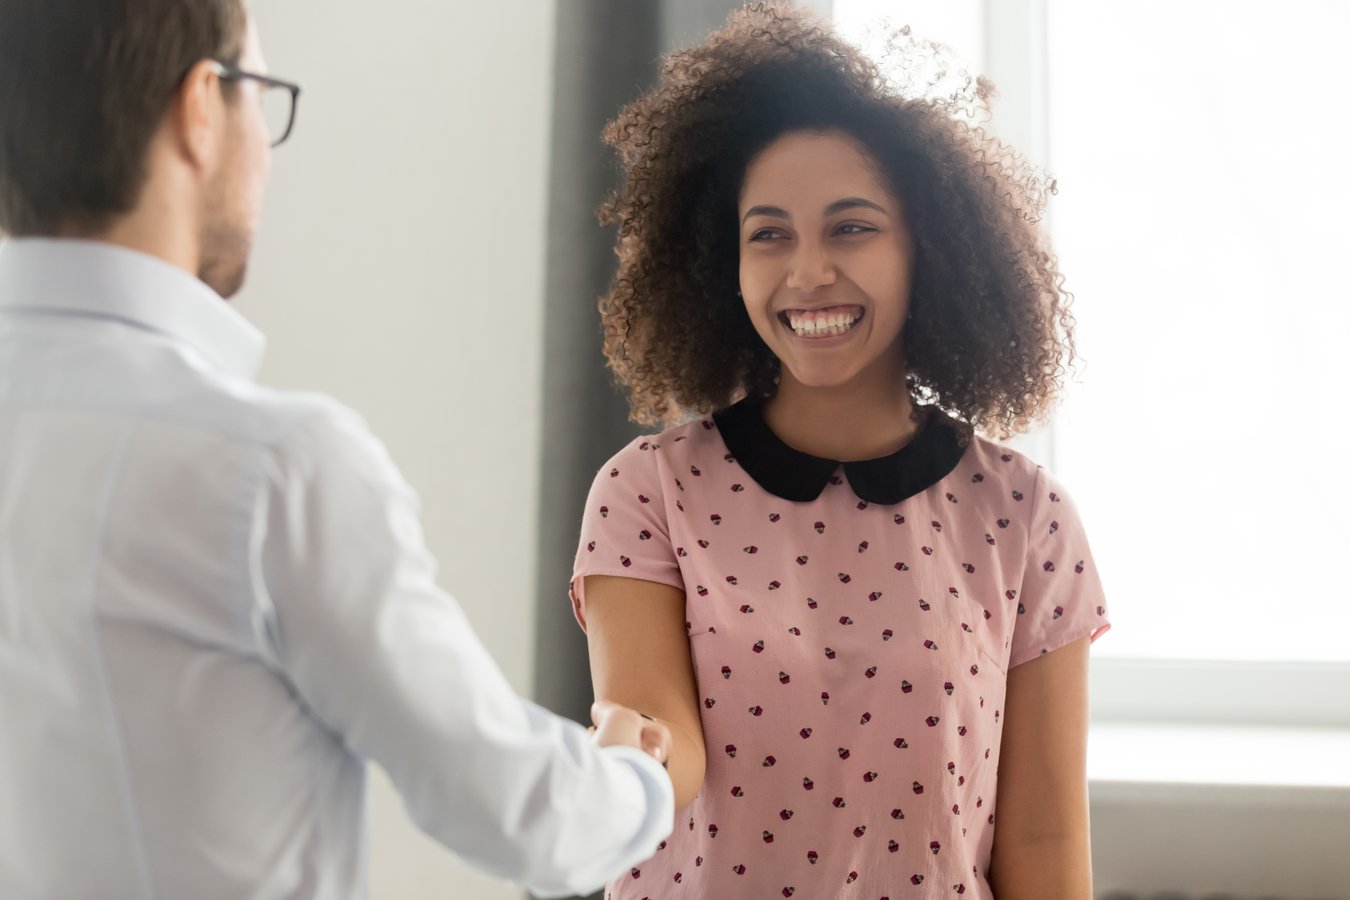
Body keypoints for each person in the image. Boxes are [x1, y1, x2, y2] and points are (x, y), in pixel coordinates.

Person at [0, 2, 673, 898]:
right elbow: (525, 818)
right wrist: (634, 775)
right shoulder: (268, 467)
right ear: (202, 106)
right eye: (259, 96)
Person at [571, 5, 1111, 899]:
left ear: (926, 251)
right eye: (769, 234)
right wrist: (627, 765)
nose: (808, 271)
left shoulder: (1028, 520)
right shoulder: (647, 491)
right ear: (722, 263)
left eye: (852, 228)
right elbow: (661, 732)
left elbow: (1046, 841)